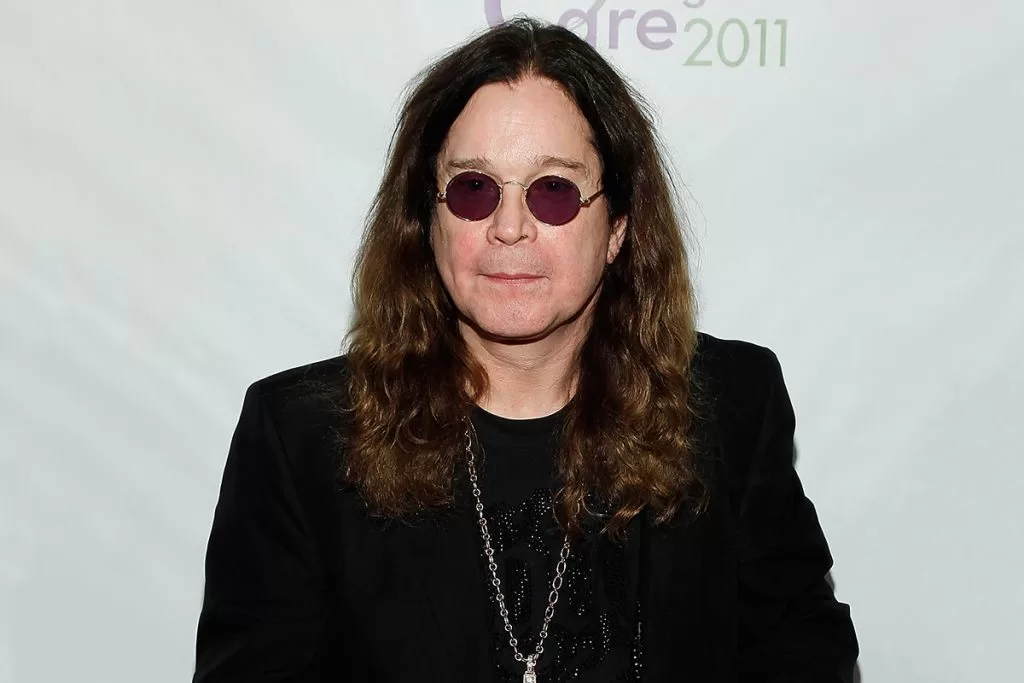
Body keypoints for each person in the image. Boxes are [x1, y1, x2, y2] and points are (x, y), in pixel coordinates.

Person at [191, 16, 859, 683]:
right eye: (474, 189)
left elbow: (807, 656)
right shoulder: (300, 439)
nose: (509, 228)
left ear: (618, 227)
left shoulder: (732, 408)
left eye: (554, 191)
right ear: (428, 220)